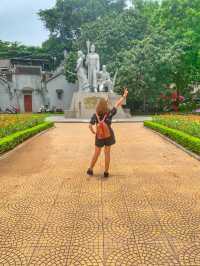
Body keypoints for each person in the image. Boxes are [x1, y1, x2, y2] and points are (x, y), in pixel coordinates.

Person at [87, 88, 128, 177]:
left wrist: (94, 132)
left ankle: (90, 169)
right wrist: (124, 95)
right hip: (109, 135)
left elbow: (90, 126)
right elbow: (117, 104)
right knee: (107, 153)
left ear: (98, 105)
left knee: (96, 153)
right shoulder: (109, 113)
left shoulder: (95, 114)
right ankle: (106, 172)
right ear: (106, 105)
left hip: (99, 137)